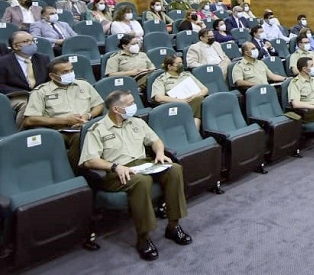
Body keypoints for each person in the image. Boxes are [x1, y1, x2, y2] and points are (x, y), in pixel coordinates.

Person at [80, 89, 192, 261]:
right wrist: (115, 166)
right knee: (141, 181)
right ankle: (143, 238)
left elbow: (155, 140)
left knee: (174, 168)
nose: (134, 106)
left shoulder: (136, 122)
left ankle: (173, 226)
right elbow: (90, 161)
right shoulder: (97, 129)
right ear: (116, 109)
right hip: (115, 172)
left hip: (143, 163)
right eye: (130, 104)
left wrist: (160, 153)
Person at [23, 57, 104, 169]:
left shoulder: (83, 84)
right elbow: (29, 120)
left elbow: (99, 104)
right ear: (52, 76)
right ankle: (78, 171)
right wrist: (65, 120)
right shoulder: (40, 92)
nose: (70, 73)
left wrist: (88, 115)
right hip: (60, 130)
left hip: (86, 123)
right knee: (80, 136)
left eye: (71, 70)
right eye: (65, 72)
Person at [0, 31, 49, 125]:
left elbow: (49, 80)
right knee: (28, 106)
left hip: (40, 94)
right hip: (17, 96)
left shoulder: (43, 59)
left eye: (32, 40)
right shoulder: (3, 62)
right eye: (26, 41)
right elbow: (1, 85)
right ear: (15, 46)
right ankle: (24, 134)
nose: (31, 43)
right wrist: (25, 94)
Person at [151, 55, 208, 129]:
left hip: (192, 101)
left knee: (199, 100)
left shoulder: (187, 75)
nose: (181, 65)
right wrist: (181, 101)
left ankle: (194, 131)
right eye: (178, 63)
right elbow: (158, 98)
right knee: (199, 104)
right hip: (176, 105)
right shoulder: (161, 79)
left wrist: (196, 95)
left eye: (181, 63)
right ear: (169, 66)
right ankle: (195, 131)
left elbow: (205, 89)